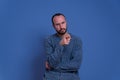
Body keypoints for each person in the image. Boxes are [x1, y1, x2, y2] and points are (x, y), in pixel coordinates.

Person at [44, 13, 82, 80]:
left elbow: (76, 65)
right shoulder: (49, 40)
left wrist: (53, 66)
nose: (61, 27)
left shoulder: (77, 40)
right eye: (57, 24)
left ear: (66, 22)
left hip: (70, 78)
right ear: (53, 26)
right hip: (51, 77)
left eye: (63, 23)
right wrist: (60, 45)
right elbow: (52, 62)